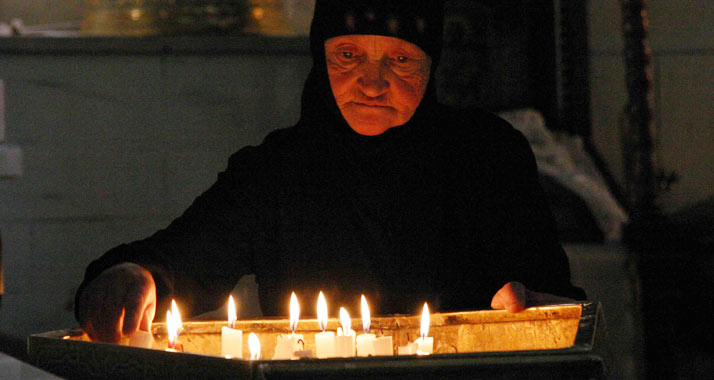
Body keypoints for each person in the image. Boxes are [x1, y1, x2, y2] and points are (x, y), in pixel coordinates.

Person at [76, 0, 585, 343]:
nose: (372, 82)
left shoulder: (487, 157)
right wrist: (136, 273)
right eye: (348, 55)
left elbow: (552, 305)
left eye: (401, 60)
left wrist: (540, 311)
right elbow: (186, 257)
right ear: (319, 61)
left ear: (431, 68)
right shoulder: (276, 171)